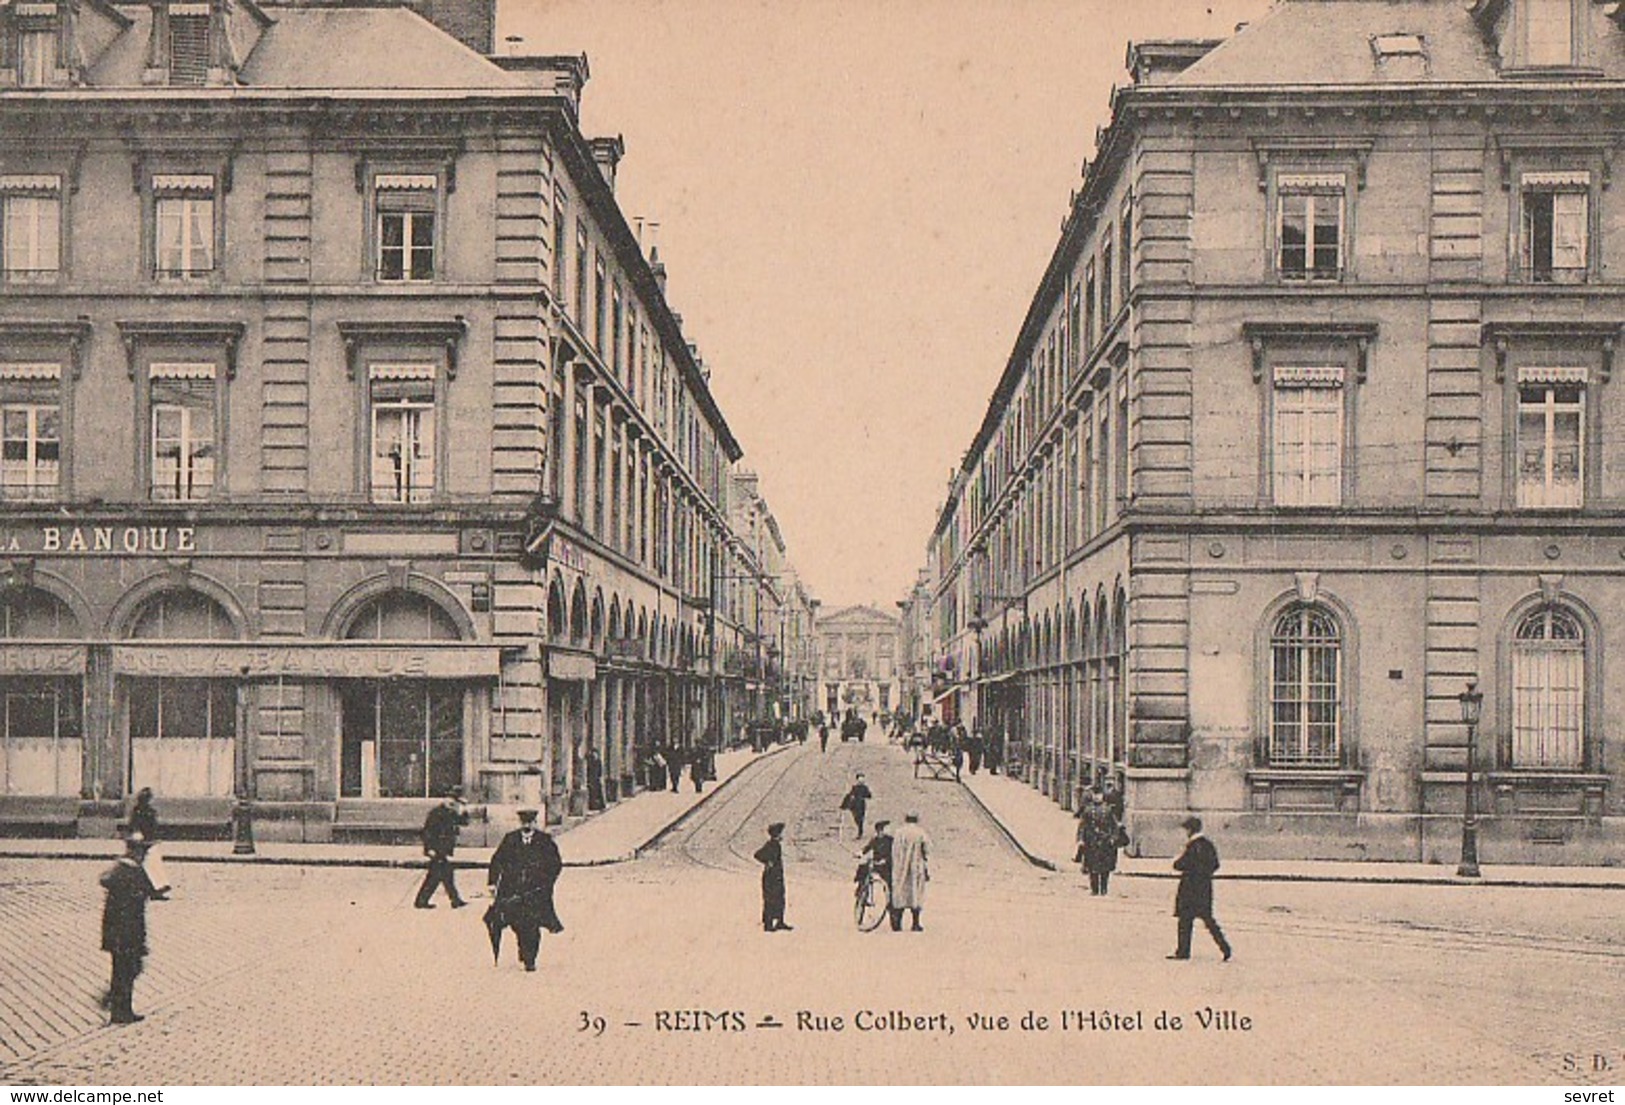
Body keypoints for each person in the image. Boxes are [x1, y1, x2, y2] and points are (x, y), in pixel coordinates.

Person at [487, 809, 564, 971]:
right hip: (512, 890)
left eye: (530, 823)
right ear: (520, 823)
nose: (526, 826)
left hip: (535, 892)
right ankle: (524, 948)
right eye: (524, 823)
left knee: (532, 925)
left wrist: (547, 883)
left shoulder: (545, 841)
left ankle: (530, 958)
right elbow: (497, 860)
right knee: (517, 924)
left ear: (535, 823)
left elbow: (555, 864)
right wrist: (492, 883)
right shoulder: (510, 839)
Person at [100, 832, 165, 1024]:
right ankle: (120, 1009)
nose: (144, 856)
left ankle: (118, 1005)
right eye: (142, 852)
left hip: (118, 932)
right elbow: (148, 891)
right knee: (127, 970)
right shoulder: (130, 872)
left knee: (125, 969)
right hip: (127, 932)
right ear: (135, 852)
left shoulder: (122, 870)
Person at [1169, 815, 1231, 962]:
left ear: (1190, 830)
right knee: (1209, 920)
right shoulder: (1208, 845)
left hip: (1189, 888)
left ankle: (1183, 951)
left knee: (1185, 921)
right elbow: (1215, 864)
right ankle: (1225, 948)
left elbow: (1179, 865)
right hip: (1204, 888)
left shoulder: (1192, 846)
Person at [414, 790, 469, 909]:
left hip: (443, 849)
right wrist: (429, 848)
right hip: (436, 849)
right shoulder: (436, 813)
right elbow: (427, 832)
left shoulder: (451, 813)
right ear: (444, 799)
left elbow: (464, 822)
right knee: (439, 875)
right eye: (449, 799)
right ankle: (423, 901)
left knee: (443, 875)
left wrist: (463, 810)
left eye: (454, 800)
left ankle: (453, 900)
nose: (451, 802)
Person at [888, 812, 930, 932]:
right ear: (917, 819)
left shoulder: (899, 832)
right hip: (916, 866)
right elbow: (927, 848)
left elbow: (894, 849)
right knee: (916, 892)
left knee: (900, 891)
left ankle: (898, 923)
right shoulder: (921, 832)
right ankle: (915, 923)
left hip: (900, 866)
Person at [126, 787, 171, 896]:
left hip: (142, 842)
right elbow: (153, 827)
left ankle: (155, 887)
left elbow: (132, 826)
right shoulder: (150, 811)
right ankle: (157, 887)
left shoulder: (137, 811)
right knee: (151, 865)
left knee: (147, 865)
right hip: (147, 842)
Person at [1077, 789, 1121, 896]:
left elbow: (1114, 826)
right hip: (1091, 842)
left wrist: (1113, 838)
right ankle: (1094, 889)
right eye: (1095, 795)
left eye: (1099, 795)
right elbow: (1082, 826)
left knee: (1105, 867)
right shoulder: (1088, 810)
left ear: (1102, 796)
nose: (1097, 797)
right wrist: (1081, 839)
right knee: (1092, 867)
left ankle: (1104, 888)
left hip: (1105, 842)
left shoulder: (1108, 810)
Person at [754, 822, 792, 932]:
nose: (782, 836)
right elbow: (757, 855)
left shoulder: (775, 845)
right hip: (771, 877)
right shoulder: (771, 845)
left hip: (776, 876)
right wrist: (768, 862)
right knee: (771, 899)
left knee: (780, 898)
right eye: (780, 833)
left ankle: (779, 922)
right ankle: (769, 924)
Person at [860, 819, 894, 894]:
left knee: (890, 881)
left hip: (887, 866)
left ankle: (891, 901)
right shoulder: (875, 840)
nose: (879, 832)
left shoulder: (890, 840)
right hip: (876, 864)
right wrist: (860, 853)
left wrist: (886, 860)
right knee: (863, 868)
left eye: (881, 830)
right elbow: (867, 848)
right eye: (879, 830)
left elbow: (894, 853)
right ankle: (862, 892)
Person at [840, 773, 872, 838]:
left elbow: (869, 796)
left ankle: (860, 832)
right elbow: (850, 795)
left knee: (861, 818)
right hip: (855, 805)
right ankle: (860, 829)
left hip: (861, 804)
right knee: (856, 818)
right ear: (857, 780)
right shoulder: (854, 787)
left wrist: (864, 796)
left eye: (862, 779)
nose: (861, 780)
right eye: (860, 779)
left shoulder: (865, 788)